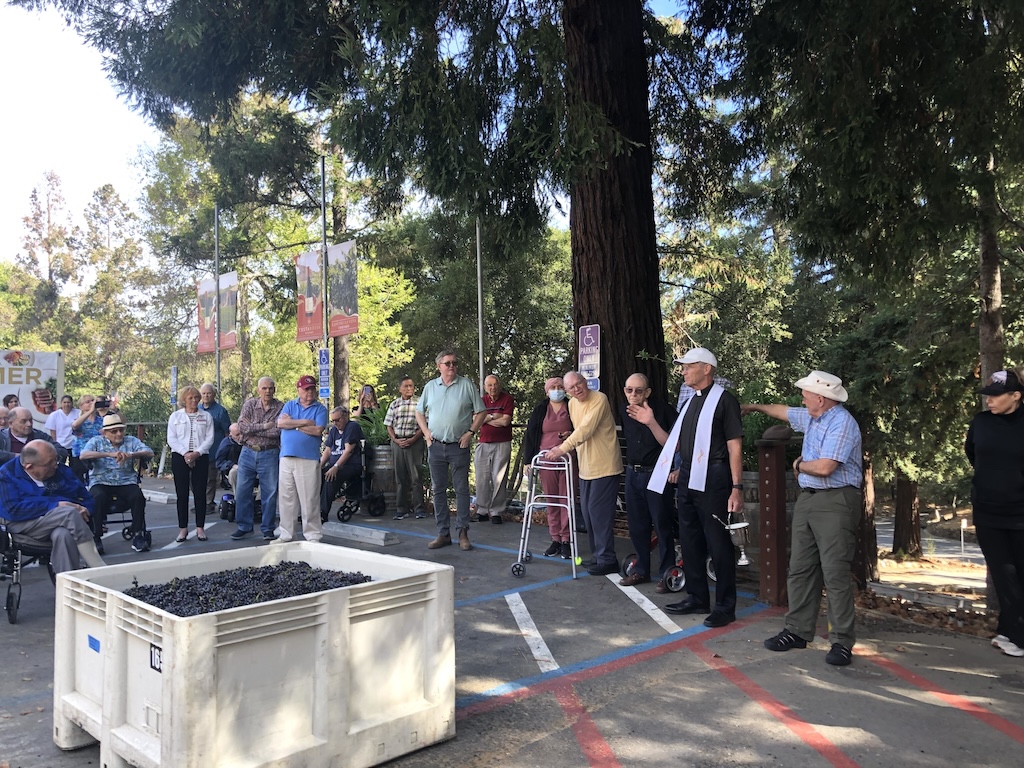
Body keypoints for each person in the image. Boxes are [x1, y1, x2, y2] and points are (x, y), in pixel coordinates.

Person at [743, 369, 863, 667]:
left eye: (806, 393)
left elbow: (825, 467)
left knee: (834, 572)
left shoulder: (842, 424)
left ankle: (841, 641)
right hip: (810, 498)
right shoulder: (814, 416)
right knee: (800, 568)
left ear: (820, 399)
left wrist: (798, 463)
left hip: (836, 499)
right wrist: (755, 407)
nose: (802, 397)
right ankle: (797, 630)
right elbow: (783, 412)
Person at [650, 349, 743, 628]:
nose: (683, 371)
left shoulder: (725, 401)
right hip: (689, 475)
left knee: (718, 541)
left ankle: (726, 606)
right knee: (689, 539)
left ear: (706, 368)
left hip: (715, 477)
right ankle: (697, 596)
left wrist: (736, 487)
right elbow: (678, 443)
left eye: (688, 367)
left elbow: (734, 446)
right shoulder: (689, 403)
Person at [965, 368, 1024, 658]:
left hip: (1020, 513)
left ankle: (1015, 634)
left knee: (1019, 573)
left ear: (1016, 396)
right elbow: (972, 454)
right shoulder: (981, 422)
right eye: (987, 396)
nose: (989, 401)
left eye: (996, 396)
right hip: (988, 511)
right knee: (1003, 574)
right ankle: (1011, 632)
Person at [546, 371, 623, 576]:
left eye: (579, 384)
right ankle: (599, 556)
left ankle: (608, 559)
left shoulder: (599, 399)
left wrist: (562, 448)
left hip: (605, 466)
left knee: (600, 514)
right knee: (589, 514)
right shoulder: (572, 404)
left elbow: (587, 429)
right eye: (571, 388)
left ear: (585, 382)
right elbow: (579, 430)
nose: (576, 389)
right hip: (586, 467)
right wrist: (570, 437)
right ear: (568, 392)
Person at [415, 349, 486, 551]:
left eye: (454, 363)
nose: (452, 366)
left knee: (461, 490)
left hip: (459, 446)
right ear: (439, 366)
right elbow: (419, 411)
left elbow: (481, 411)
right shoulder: (430, 387)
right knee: (438, 490)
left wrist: (471, 432)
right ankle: (443, 533)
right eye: (447, 363)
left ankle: (463, 532)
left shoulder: (467, 385)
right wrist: (426, 432)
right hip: (436, 445)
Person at [0, 440, 106, 575]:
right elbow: (13, 510)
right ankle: (99, 568)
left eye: (55, 459)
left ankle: (69, 586)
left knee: (63, 534)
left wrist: (84, 510)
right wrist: (56, 505)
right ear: (29, 466)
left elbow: (87, 498)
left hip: (62, 523)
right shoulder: (6, 475)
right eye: (49, 463)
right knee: (68, 513)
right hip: (22, 524)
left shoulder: (62, 471)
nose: (55, 465)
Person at [620, 373, 677, 590]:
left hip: (657, 472)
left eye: (638, 390)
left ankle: (667, 573)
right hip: (633, 473)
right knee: (637, 525)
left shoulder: (664, 410)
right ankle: (641, 569)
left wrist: (651, 422)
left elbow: (674, 445)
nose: (633, 395)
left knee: (662, 524)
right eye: (629, 390)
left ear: (648, 392)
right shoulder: (624, 411)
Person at [80, 413, 154, 554]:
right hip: (101, 480)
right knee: (97, 496)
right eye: (114, 431)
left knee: (137, 495)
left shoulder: (131, 441)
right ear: (105, 433)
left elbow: (149, 452)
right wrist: (109, 454)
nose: (119, 433)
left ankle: (138, 534)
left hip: (125, 480)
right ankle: (96, 536)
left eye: (121, 430)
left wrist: (131, 455)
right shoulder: (96, 441)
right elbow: (83, 455)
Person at [522, 376, 577, 559]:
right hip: (546, 459)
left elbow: (582, 428)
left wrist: (571, 433)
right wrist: (528, 460)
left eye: (560, 386)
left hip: (568, 459)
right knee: (551, 499)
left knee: (566, 500)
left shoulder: (572, 406)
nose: (557, 389)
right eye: (553, 387)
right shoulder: (540, 409)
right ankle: (555, 538)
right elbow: (531, 434)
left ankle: (566, 539)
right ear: (547, 391)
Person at [276, 375, 328, 543]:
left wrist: (294, 423)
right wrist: (305, 422)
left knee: (309, 499)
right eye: (306, 389)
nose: (309, 392)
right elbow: (281, 424)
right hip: (286, 457)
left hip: (308, 458)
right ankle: (286, 534)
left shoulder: (320, 409)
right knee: (286, 498)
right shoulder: (290, 404)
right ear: (299, 389)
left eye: (312, 388)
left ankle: (313, 535)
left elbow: (317, 430)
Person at [230, 377, 283, 541]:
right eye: (264, 388)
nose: (268, 391)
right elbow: (242, 427)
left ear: (274, 390)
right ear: (258, 389)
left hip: (270, 453)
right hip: (247, 452)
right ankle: (244, 527)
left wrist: (253, 430)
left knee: (270, 492)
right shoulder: (250, 405)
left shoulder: (281, 407)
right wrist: (265, 426)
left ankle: (267, 528)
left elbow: (278, 431)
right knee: (242, 491)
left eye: (270, 388)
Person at [167, 386, 215, 543]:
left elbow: (210, 438)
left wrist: (197, 453)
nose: (194, 400)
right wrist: (185, 453)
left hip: (200, 456)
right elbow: (171, 438)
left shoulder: (206, 416)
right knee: (182, 494)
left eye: (196, 397)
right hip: (180, 456)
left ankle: (200, 528)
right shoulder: (175, 416)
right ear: (184, 400)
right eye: (190, 398)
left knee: (200, 493)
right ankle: (183, 529)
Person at [473, 375, 514, 524]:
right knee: (481, 478)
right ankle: (482, 511)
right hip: (483, 443)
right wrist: (492, 416)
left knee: (499, 478)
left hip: (502, 443)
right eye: (489, 385)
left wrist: (486, 420)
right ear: (485, 387)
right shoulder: (481, 401)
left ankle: (496, 512)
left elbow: (505, 421)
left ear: (499, 385)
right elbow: (476, 420)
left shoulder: (507, 399)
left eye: (495, 384)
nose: (493, 388)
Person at [384, 376, 427, 520]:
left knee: (416, 477)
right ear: (400, 388)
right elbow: (388, 424)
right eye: (406, 386)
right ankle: (401, 509)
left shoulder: (420, 402)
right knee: (400, 477)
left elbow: (424, 423)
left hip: (414, 442)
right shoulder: (394, 404)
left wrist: (414, 438)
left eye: (411, 386)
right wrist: (395, 440)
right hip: (398, 443)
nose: (409, 389)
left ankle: (419, 509)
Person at [321, 406, 363, 521]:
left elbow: (349, 450)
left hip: (350, 464)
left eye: (337, 420)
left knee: (330, 477)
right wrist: (319, 466)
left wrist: (336, 467)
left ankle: (322, 512)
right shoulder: (334, 430)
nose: (335, 423)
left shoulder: (352, 427)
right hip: (335, 464)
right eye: (333, 420)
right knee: (317, 475)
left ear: (345, 417)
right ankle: (311, 510)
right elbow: (328, 450)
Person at [200, 383, 231, 516]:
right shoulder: (197, 409)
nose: (206, 396)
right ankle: (200, 502)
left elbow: (227, 432)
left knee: (210, 477)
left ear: (214, 395)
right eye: (204, 393)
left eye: (209, 393)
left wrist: (226, 450)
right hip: (199, 449)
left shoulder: (220, 411)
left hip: (214, 449)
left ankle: (208, 503)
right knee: (198, 478)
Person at [1, 406, 68, 464]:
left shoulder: (39, 436)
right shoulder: (2, 436)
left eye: (30, 420)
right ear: (10, 424)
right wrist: (17, 457)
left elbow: (61, 451)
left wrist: (40, 458)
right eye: (23, 421)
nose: (29, 424)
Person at [70, 395, 113, 484]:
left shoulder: (102, 420)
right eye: (87, 402)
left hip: (97, 454)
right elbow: (74, 426)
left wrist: (113, 409)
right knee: (79, 482)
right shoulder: (79, 420)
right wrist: (90, 411)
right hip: (80, 454)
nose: (91, 403)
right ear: (81, 406)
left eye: (93, 401)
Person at [46, 395, 79, 463]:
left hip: (74, 444)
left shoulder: (78, 413)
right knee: (59, 465)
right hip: (61, 444)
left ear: (72, 403)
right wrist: (54, 445)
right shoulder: (54, 415)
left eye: (68, 402)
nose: (66, 404)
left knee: (76, 466)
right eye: (64, 402)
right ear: (61, 403)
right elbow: (53, 431)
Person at [215, 423, 243, 499]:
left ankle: (259, 500)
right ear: (231, 435)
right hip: (233, 469)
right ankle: (239, 498)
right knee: (234, 472)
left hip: (251, 467)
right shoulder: (226, 443)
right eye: (237, 435)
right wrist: (232, 465)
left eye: (241, 434)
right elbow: (219, 462)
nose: (240, 437)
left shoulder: (250, 441)